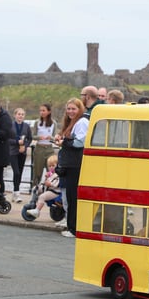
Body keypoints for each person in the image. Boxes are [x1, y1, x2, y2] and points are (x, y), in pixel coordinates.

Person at [55, 97, 89, 237]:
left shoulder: (82, 122)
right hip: (70, 164)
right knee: (70, 196)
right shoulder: (73, 123)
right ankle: (71, 226)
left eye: (73, 109)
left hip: (75, 164)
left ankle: (73, 229)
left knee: (73, 196)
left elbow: (80, 142)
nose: (70, 111)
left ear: (79, 109)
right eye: (68, 109)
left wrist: (64, 142)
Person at [26, 154, 60, 219]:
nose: (51, 167)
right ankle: (32, 203)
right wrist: (45, 180)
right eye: (49, 166)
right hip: (48, 189)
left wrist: (50, 184)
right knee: (35, 189)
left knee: (42, 196)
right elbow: (44, 183)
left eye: (53, 166)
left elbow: (57, 184)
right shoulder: (50, 174)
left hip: (55, 191)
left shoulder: (58, 175)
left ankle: (37, 211)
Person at [9, 107, 32, 202]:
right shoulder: (10, 125)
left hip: (22, 152)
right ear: (15, 115)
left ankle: (15, 192)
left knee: (20, 173)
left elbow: (29, 138)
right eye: (19, 114)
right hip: (13, 152)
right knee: (16, 172)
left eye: (22, 114)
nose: (20, 116)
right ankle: (17, 192)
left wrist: (25, 146)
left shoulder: (26, 126)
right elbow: (7, 139)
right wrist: (16, 142)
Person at [31, 103, 55, 188]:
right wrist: (39, 137)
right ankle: (35, 189)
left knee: (51, 171)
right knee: (37, 171)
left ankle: (50, 188)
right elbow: (33, 136)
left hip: (49, 149)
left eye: (44, 110)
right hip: (39, 148)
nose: (42, 112)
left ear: (49, 112)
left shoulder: (53, 123)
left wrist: (51, 137)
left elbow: (55, 137)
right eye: (40, 111)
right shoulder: (37, 122)